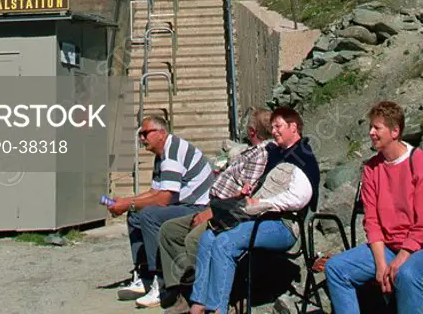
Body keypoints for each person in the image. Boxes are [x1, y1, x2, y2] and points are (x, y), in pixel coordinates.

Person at [188, 106, 320, 314]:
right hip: (257, 217)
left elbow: (299, 198)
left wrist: (263, 203)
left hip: (284, 224)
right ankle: (199, 304)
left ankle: (217, 309)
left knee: (224, 242)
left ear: (293, 127)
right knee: (208, 238)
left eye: (279, 126)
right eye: (273, 126)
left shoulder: (303, 157)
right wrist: (249, 191)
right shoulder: (275, 152)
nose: (274, 131)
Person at [325, 100, 423, 314]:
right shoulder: (372, 169)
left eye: (377, 128)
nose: (371, 133)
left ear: (395, 131)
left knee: (406, 274)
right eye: (371, 127)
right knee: (336, 269)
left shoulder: (421, 165)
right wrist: (381, 264)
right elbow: (372, 221)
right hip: (390, 248)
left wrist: (400, 260)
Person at [157, 108, 274, 313]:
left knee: (195, 238)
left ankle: (205, 295)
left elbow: (245, 195)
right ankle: (183, 290)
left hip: (228, 213)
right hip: (215, 206)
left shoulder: (262, 155)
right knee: (170, 230)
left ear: (251, 130)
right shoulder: (250, 151)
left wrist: (212, 212)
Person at [111, 115, 214, 307]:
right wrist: (127, 202)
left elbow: (164, 199)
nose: (142, 138)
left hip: (199, 207)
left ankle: (161, 282)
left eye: (145, 133)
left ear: (161, 133)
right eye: (140, 134)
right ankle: (145, 276)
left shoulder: (172, 152)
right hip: (184, 202)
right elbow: (154, 192)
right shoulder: (162, 154)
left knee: (149, 215)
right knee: (135, 215)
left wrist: (127, 203)